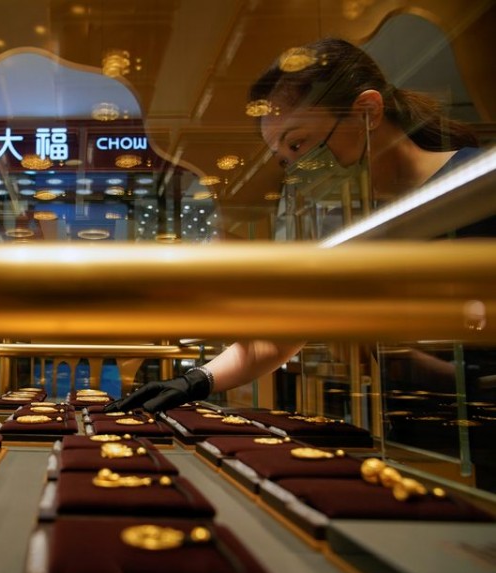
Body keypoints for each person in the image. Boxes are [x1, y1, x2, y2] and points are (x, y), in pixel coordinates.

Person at [105, 37, 482, 414]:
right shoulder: (349, 225)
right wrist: (196, 381)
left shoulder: (478, 182)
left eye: (298, 145)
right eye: (284, 160)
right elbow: (287, 331)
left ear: (367, 112)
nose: (297, 169)